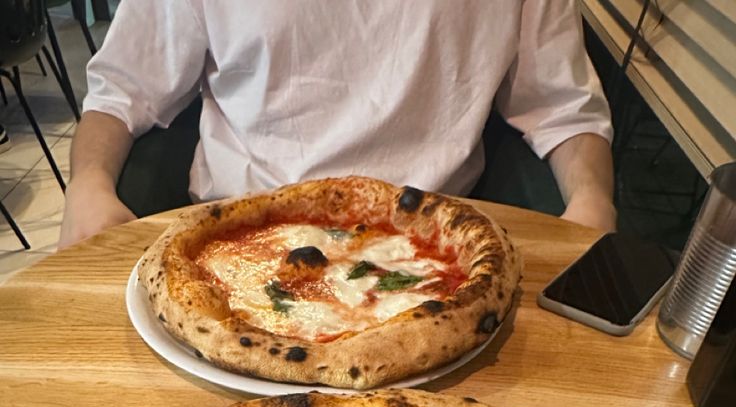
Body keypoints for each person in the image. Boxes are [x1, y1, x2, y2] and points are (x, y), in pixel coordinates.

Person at [58, 0, 616, 249]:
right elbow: (121, 90)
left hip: (428, 246)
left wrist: (592, 199)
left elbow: (563, 106)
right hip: (240, 239)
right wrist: (87, 185)